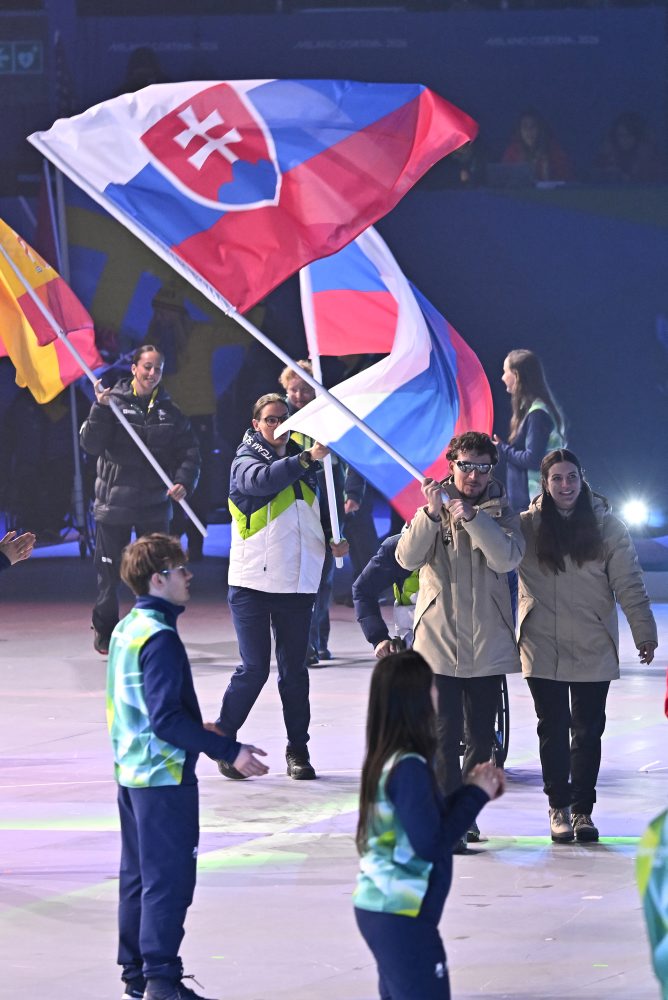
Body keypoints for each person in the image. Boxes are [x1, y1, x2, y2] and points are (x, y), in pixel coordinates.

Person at [107, 533, 268, 1000]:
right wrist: (227, 751)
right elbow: (164, 719)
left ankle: (137, 975)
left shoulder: (126, 629)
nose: (188, 576)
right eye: (180, 570)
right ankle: (161, 978)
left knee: (138, 877)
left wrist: (204, 730)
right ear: (158, 579)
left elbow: (142, 706)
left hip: (132, 773)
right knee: (169, 880)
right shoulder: (159, 638)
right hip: (162, 778)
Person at [518, 448, 658, 844]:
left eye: (572, 477)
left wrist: (643, 632)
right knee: (553, 727)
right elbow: (494, 554)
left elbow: (629, 581)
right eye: (557, 479)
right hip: (541, 641)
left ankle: (582, 811)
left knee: (588, 730)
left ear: (583, 479)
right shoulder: (526, 526)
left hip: (593, 640)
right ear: (545, 484)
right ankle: (557, 806)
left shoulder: (607, 526)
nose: (566, 485)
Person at [395, 431, 523, 850]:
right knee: (445, 737)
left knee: (483, 740)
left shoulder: (502, 513)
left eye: (482, 467)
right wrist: (432, 516)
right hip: (439, 644)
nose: (473, 475)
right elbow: (407, 559)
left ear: (491, 470)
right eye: (465, 466)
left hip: (486, 646)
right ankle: (450, 815)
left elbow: (507, 559)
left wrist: (472, 517)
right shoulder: (431, 508)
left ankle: (466, 813)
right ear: (451, 465)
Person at [353, 649, 505, 1000]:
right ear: (416, 700)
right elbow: (432, 842)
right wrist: (474, 797)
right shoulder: (408, 768)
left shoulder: (389, 759)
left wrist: (473, 791)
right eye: (431, 686)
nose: (438, 693)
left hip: (386, 908)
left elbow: (422, 821)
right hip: (400, 915)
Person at [215, 393, 348, 782]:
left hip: (296, 584)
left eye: (283, 419)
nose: (277, 426)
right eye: (270, 420)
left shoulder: (309, 466)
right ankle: (224, 742)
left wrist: (332, 539)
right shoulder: (247, 459)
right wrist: (307, 458)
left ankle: (298, 750)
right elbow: (261, 483)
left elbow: (317, 514)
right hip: (252, 584)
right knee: (254, 668)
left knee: (295, 672)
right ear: (256, 423)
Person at [80, 345, 200, 655]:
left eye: (157, 368)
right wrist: (99, 408)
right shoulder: (112, 402)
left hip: (153, 505)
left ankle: (154, 629)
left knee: (157, 574)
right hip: (113, 504)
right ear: (134, 368)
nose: (152, 373)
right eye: (146, 367)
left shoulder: (170, 411)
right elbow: (90, 444)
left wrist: (183, 482)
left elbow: (189, 453)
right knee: (109, 575)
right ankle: (105, 631)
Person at [279, 360, 363, 664]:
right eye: (294, 389)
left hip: (329, 506)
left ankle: (317, 642)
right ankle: (309, 645)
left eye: (306, 388)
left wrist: (352, 494)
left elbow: (355, 458)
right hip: (296, 508)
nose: (300, 395)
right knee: (304, 579)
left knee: (323, 578)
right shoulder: (280, 420)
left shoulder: (331, 417)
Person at [493, 348, 565, 514]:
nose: (502, 377)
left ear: (516, 376)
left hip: (535, 505)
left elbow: (533, 459)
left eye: (505, 372)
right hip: (530, 504)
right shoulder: (533, 411)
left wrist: (503, 449)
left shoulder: (537, 414)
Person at [352, 533, 415, 658]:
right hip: (413, 648)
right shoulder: (397, 546)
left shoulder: (464, 542)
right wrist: (378, 638)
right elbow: (363, 589)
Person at [502, 108, 574, 183]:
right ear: (519, 131)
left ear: (540, 129)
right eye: (525, 126)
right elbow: (503, 179)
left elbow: (566, 180)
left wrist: (547, 170)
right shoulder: (512, 151)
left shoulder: (553, 150)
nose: (529, 131)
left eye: (533, 126)